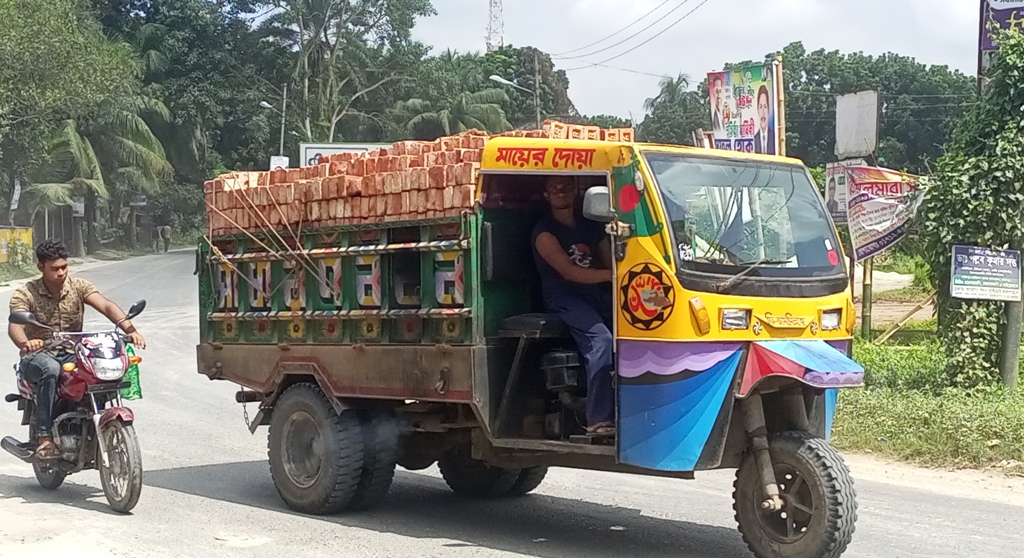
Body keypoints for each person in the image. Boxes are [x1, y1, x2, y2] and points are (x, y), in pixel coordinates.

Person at [7, 240, 147, 459]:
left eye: (64, 267)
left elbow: (106, 305)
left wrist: (130, 329)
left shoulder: (79, 286)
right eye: (54, 268)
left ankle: (93, 423)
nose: (61, 273)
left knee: (98, 367)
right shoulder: (26, 293)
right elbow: (15, 325)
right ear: (41, 267)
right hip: (38, 355)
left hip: (73, 351)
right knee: (50, 369)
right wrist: (26, 343)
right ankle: (44, 438)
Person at [531, 176, 616, 437]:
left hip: (595, 297)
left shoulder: (590, 228)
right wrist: (613, 276)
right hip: (564, 300)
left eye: (566, 187)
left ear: (577, 192)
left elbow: (609, 260)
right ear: (546, 196)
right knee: (601, 340)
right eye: (554, 188)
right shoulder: (544, 233)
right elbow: (570, 273)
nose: (560, 191)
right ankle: (598, 420)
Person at [753, 85, 775, 155]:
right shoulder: (754, 139)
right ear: (757, 110)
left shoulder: (774, 136)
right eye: (760, 107)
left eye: (765, 107)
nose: (763, 112)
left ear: (768, 109)